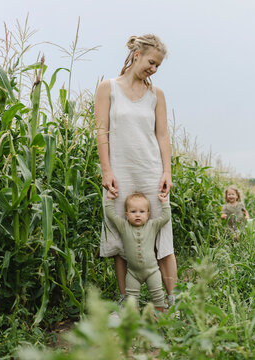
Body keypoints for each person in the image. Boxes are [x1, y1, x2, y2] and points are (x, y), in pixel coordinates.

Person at [95, 34, 177, 307]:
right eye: (151, 62)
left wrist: (167, 172)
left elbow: (163, 135)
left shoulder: (157, 95)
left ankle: (169, 303)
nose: (153, 69)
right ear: (137, 53)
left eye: (158, 66)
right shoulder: (108, 88)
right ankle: (126, 302)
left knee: (162, 239)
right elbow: (102, 132)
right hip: (120, 172)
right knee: (122, 238)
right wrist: (106, 172)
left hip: (150, 170)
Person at [105, 191, 170, 311]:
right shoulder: (124, 226)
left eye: (142, 211)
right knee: (131, 299)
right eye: (133, 212)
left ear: (148, 214)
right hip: (133, 273)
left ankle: (158, 317)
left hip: (152, 271)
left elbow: (166, 217)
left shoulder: (152, 225)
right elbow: (110, 215)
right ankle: (133, 320)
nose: (138, 215)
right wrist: (109, 199)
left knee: (158, 296)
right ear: (126, 214)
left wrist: (164, 202)